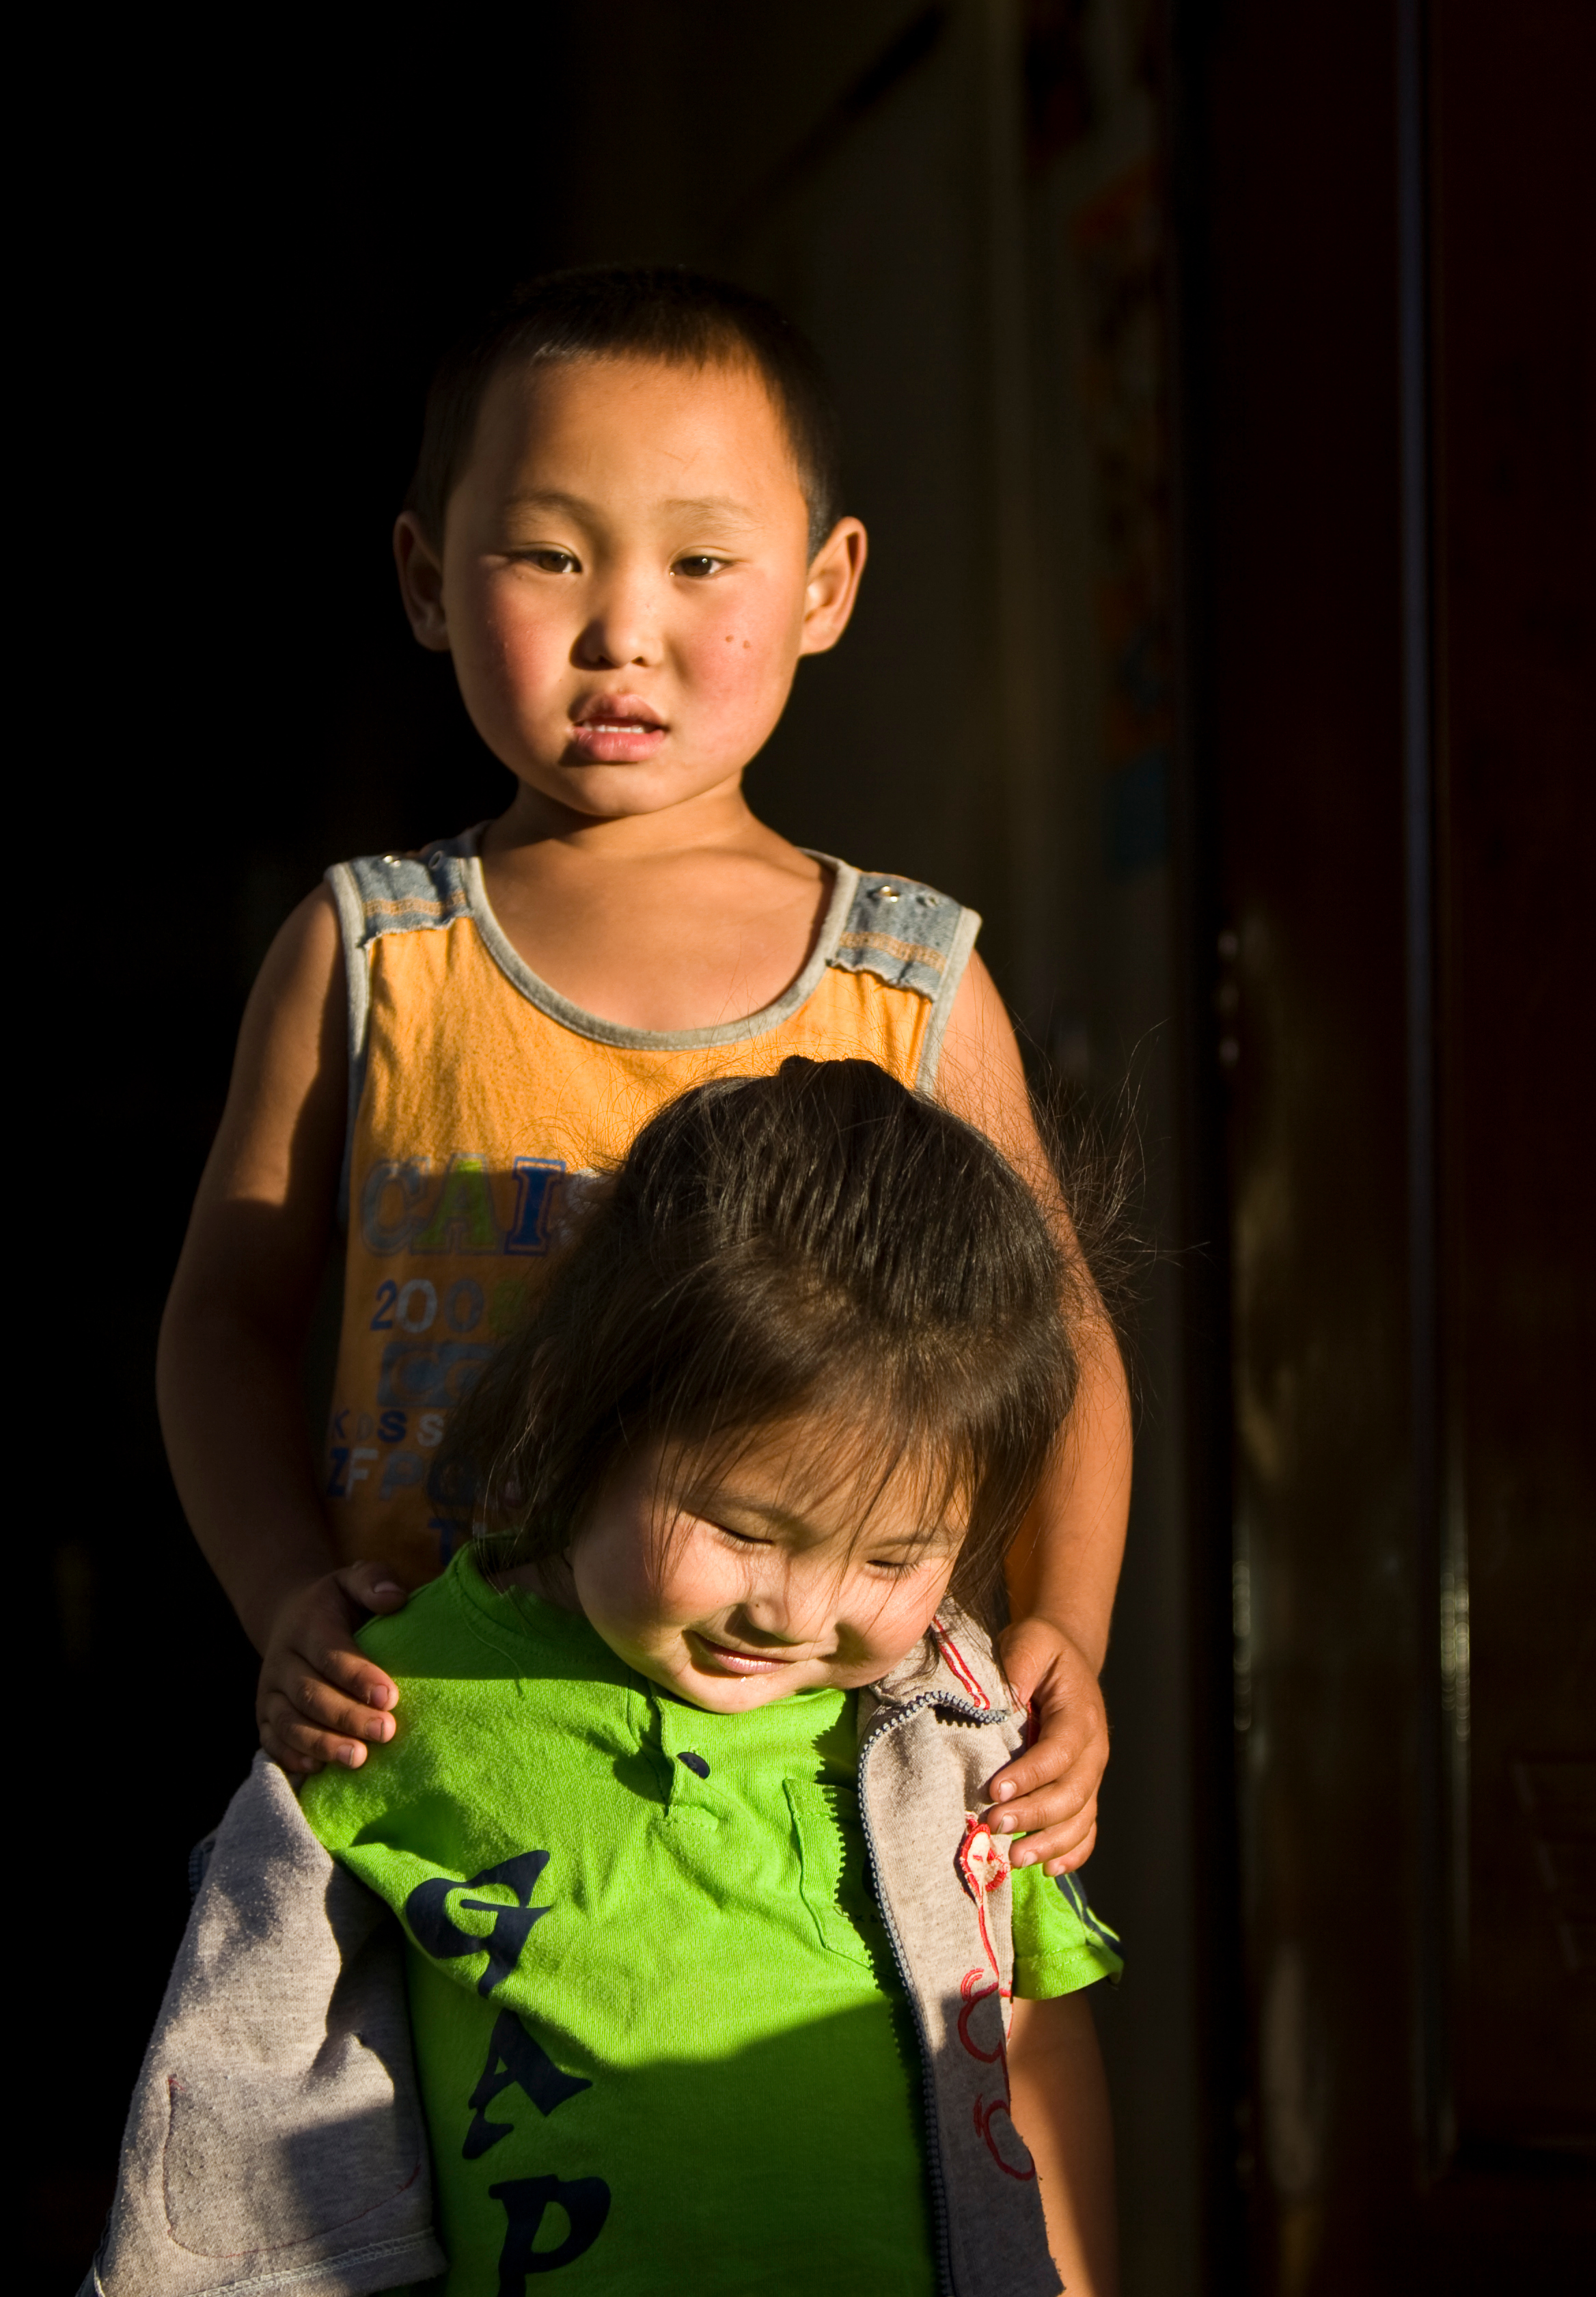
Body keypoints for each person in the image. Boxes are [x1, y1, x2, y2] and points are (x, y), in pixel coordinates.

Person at [156, 264, 1131, 1876]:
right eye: (548, 555)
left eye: (700, 561)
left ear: (823, 588)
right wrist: (283, 1595)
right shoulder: (373, 957)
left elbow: (1062, 1342)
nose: (624, 629)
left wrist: (1068, 1629)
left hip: (815, 1780)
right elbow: (223, 1322)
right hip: (445, 1767)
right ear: (423, 576)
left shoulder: (906, 984)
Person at [79, 1061, 1122, 2297]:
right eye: (743, 1529)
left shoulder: (952, 1730)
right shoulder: (401, 1705)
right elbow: (263, 2101)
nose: (795, 1611)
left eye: (893, 1558)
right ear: (589, 1407)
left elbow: (1028, 2035)